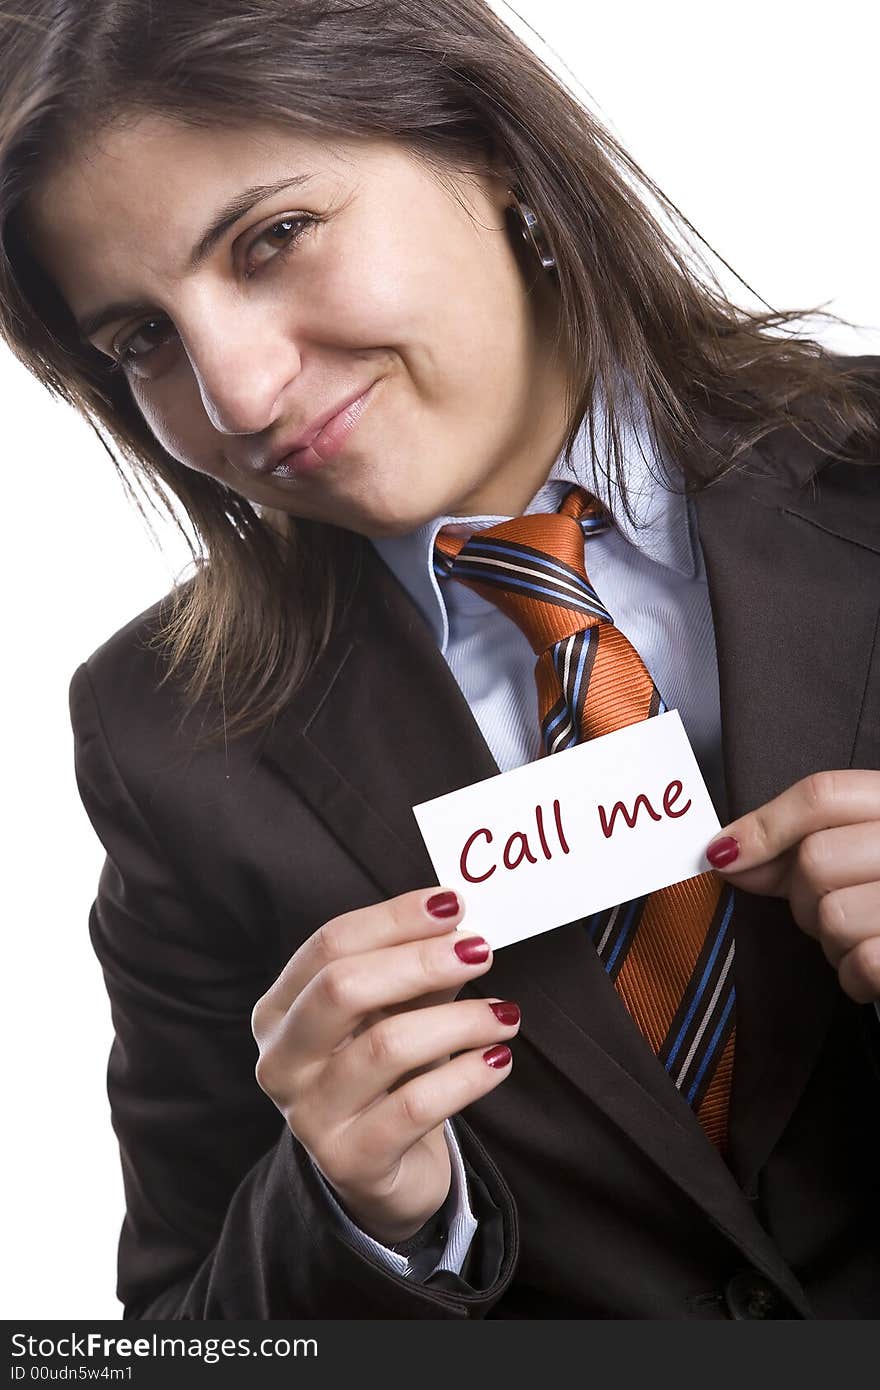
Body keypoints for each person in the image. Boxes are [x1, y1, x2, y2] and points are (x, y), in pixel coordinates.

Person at [1, 0, 878, 1320]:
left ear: (495, 154)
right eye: (143, 340)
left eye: (273, 239)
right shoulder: (163, 740)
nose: (236, 396)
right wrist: (358, 1214)